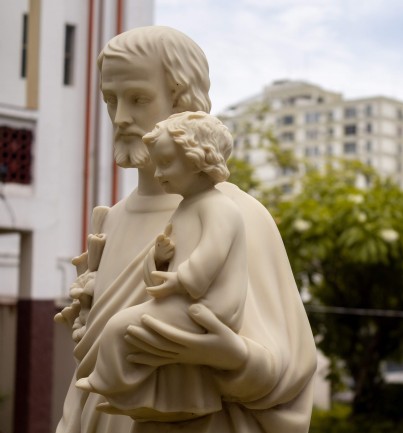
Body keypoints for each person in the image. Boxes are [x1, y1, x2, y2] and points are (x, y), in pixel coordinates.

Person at [55, 26, 316, 433]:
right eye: (111, 100)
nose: (120, 118)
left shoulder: (237, 213)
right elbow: (84, 376)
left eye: (138, 98)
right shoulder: (112, 220)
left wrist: (230, 357)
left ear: (181, 100)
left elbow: (287, 374)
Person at [76, 112, 248, 423]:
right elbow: (174, 258)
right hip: (185, 297)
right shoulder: (186, 207)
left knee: (121, 326)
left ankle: (111, 384)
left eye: (166, 163)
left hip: (208, 306)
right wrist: (158, 258)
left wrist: (181, 280)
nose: (158, 174)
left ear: (198, 160)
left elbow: (211, 254)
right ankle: (134, 394)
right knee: (131, 331)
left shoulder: (220, 207)